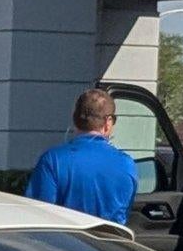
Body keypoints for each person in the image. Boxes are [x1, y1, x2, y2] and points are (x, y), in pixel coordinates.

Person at [23, 89, 139, 225]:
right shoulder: (127, 164)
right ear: (108, 122)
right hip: (110, 238)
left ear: (75, 119)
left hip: (65, 238)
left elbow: (38, 216)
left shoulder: (53, 160)